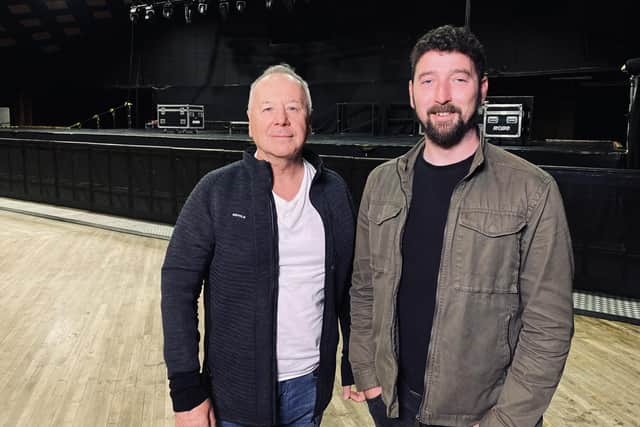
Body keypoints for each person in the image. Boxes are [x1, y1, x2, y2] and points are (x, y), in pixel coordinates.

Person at [349, 25, 574, 427]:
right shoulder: (381, 183)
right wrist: (367, 375)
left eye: (459, 79)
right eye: (428, 80)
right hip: (394, 407)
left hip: (484, 416)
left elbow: (549, 327)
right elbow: (365, 289)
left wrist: (506, 420)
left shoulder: (533, 191)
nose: (442, 96)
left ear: (482, 89)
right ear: (412, 92)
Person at [161, 64, 364, 427]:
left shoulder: (334, 193)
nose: (281, 120)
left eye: (293, 107)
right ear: (250, 120)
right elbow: (177, 289)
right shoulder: (216, 191)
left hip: (309, 388)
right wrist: (187, 391)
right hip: (233, 395)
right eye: (268, 108)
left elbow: (351, 287)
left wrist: (354, 362)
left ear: (309, 118)